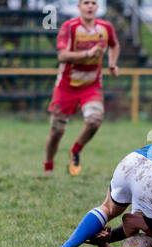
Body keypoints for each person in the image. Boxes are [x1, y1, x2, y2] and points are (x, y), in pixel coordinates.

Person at [44, 0, 120, 176]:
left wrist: (113, 63)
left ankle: (75, 150)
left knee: (94, 121)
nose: (90, 6)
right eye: (86, 2)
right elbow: (62, 56)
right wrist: (88, 54)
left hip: (91, 86)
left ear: (97, 8)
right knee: (57, 131)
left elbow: (114, 44)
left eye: (94, 3)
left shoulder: (105, 27)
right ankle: (48, 167)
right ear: (79, 7)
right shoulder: (69, 27)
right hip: (66, 87)